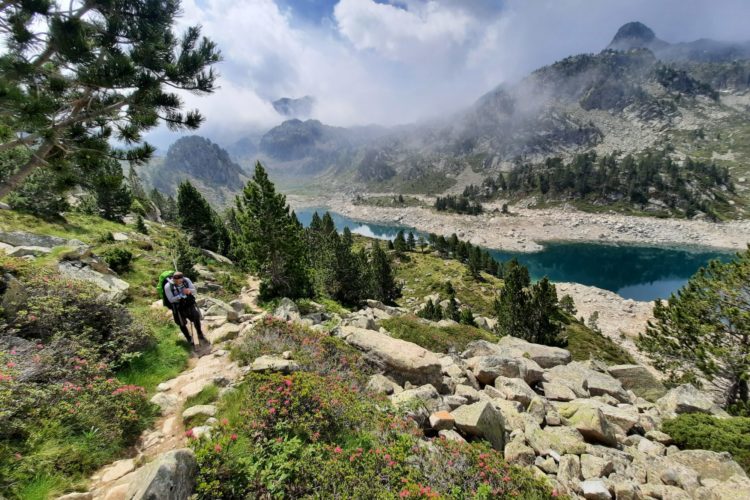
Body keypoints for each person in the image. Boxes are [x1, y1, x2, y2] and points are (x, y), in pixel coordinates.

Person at [164, 271, 207, 349]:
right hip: (178, 308)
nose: (179, 282)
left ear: (182, 278)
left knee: (196, 317)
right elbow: (171, 299)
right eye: (176, 281)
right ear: (173, 279)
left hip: (189, 304)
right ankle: (188, 338)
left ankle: (199, 333)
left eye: (180, 280)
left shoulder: (186, 280)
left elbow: (194, 291)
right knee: (182, 323)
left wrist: (188, 291)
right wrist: (181, 295)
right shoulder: (168, 286)